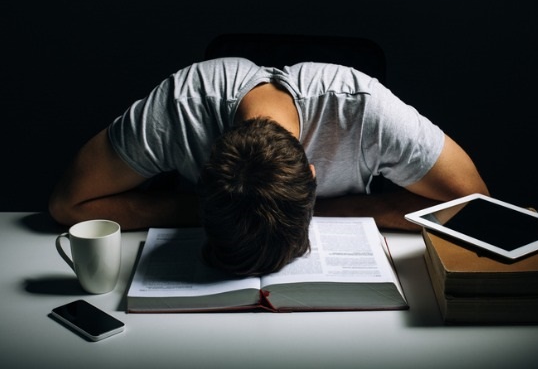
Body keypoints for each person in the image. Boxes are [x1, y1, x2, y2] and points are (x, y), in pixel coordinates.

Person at [49, 57, 489, 275]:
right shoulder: (179, 109)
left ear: (311, 178)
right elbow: (68, 205)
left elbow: (475, 203)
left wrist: (300, 207)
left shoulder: (365, 110)